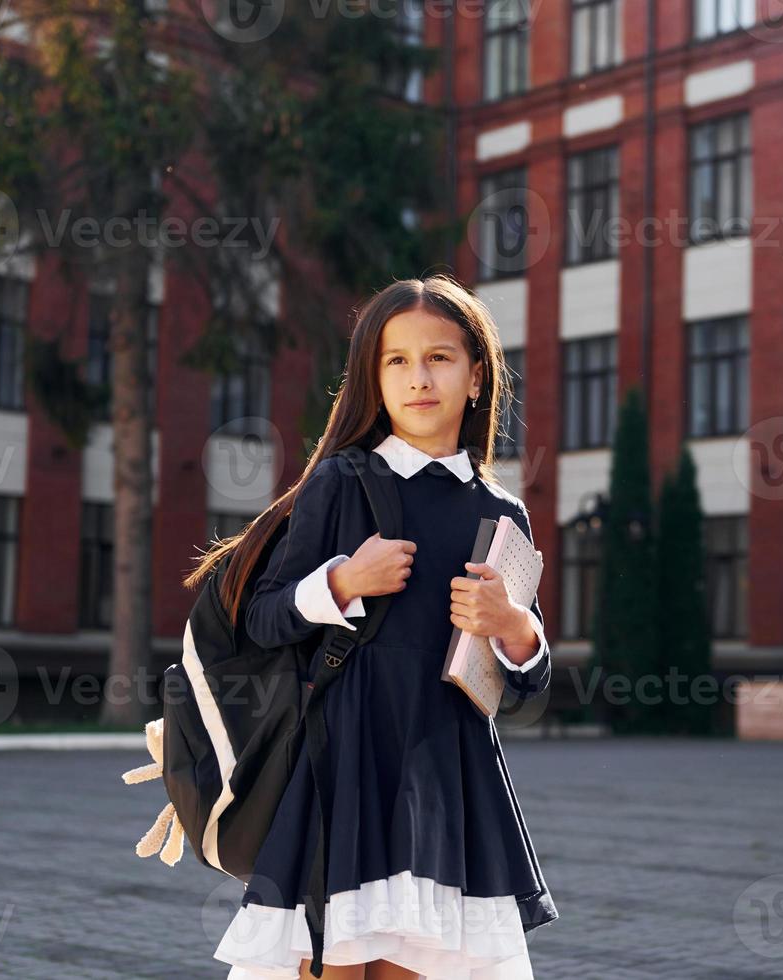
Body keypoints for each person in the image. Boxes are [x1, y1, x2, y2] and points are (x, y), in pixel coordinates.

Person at [184, 275, 558, 980]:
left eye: (440, 358)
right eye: (397, 361)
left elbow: (531, 682)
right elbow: (263, 620)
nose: (419, 378)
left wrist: (511, 624)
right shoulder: (340, 484)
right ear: (373, 379)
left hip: (447, 781)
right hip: (341, 774)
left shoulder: (502, 512)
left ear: (477, 377)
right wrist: (341, 583)